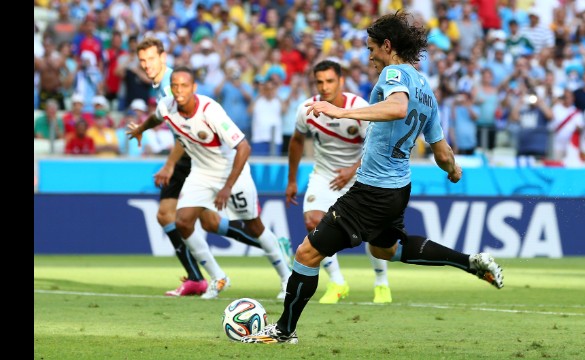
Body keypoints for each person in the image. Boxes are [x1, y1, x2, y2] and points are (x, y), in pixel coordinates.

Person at [242, 11, 504, 344]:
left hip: (373, 189)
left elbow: (396, 108)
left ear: (388, 46)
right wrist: (453, 171)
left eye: (371, 49)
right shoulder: (426, 90)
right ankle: (469, 262)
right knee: (386, 249)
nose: (369, 57)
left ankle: (283, 331)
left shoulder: (394, 74)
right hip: (397, 189)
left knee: (307, 255)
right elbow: (442, 153)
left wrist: (341, 111)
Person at [132, 37, 292, 298]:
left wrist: (227, 187)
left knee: (253, 225)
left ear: (194, 87)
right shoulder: (167, 105)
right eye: (175, 87)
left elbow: (244, 147)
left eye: (184, 86)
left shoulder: (211, 110)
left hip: (232, 173)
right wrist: (140, 129)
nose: (179, 90)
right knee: (183, 222)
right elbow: (156, 116)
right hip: (202, 173)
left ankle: (287, 277)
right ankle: (218, 278)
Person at [286, 60, 392, 304]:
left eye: (330, 81)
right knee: (313, 222)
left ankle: (381, 282)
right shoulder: (306, 109)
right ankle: (337, 282)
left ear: (341, 82)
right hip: (324, 175)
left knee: (374, 234)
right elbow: (296, 141)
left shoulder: (359, 108)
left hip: (362, 176)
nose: (324, 87)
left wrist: (352, 169)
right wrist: (291, 180)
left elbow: (375, 146)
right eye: (320, 82)